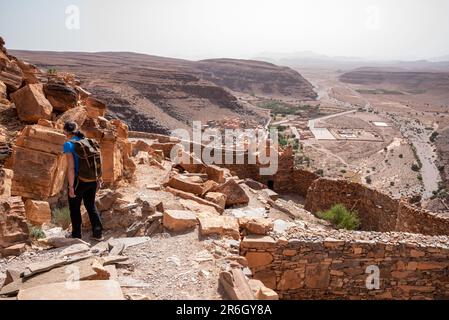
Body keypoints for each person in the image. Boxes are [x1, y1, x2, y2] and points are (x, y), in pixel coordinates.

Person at [63, 121, 104, 240]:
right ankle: (98, 233)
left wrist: (71, 187)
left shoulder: (69, 144)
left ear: (66, 132)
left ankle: (76, 235)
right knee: (90, 205)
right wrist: (99, 178)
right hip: (92, 179)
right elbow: (98, 161)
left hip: (78, 181)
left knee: (74, 208)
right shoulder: (89, 141)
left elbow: (70, 167)